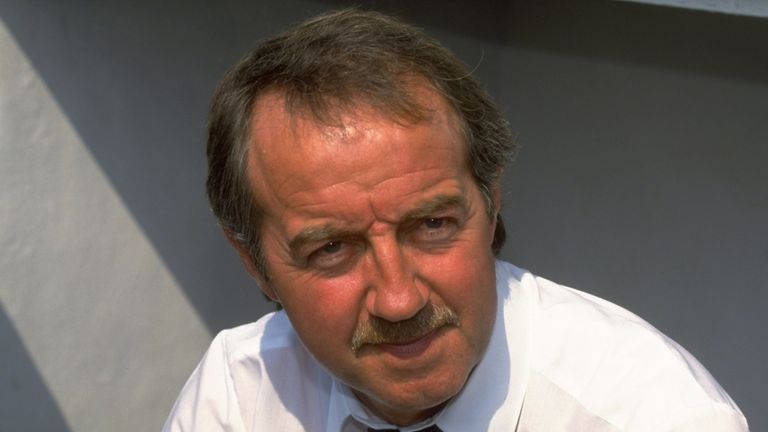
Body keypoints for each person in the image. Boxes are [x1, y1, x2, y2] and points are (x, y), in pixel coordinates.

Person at [163, 8, 748, 432]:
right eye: (332, 249)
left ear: (491, 203)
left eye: (433, 225)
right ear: (255, 265)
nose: (398, 300)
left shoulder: (652, 416)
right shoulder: (238, 395)